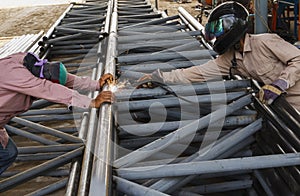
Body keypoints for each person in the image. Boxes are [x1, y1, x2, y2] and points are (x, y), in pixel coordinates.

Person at [138, 1, 300, 112]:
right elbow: (196, 73)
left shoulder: (265, 41)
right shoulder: (231, 60)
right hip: (288, 108)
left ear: (232, 25)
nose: (217, 33)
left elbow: (298, 59)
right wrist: (158, 77)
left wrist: (281, 83)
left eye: (219, 28)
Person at [0, 52, 114, 174]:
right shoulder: (16, 74)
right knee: (7, 153)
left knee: (8, 153)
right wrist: (90, 102)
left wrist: (96, 84)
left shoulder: (33, 65)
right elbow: (47, 88)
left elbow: (65, 80)